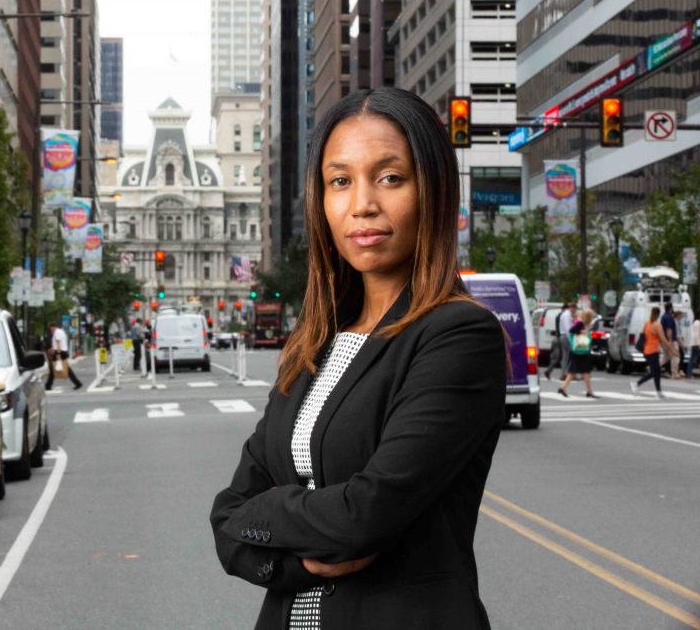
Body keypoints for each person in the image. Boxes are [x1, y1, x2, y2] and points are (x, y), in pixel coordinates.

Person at [210, 88, 506, 628]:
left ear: (433, 192)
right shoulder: (315, 344)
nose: (362, 203)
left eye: (390, 178)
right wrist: (297, 562)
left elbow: (363, 516)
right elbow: (227, 520)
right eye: (340, 181)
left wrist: (272, 508)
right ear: (322, 202)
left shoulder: (457, 334)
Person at [558, 309, 597, 398]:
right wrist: (582, 332)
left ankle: (563, 388)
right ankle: (589, 391)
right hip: (581, 351)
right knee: (584, 371)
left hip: (578, 351)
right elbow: (571, 330)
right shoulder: (580, 323)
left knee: (576, 371)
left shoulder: (580, 323)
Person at [632, 306, 669, 399]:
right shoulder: (657, 325)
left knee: (657, 372)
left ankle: (659, 392)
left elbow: (645, 336)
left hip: (647, 351)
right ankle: (637, 384)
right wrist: (672, 349)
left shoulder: (647, 323)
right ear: (658, 314)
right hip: (653, 351)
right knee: (654, 372)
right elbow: (663, 339)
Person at [45, 323, 82, 391]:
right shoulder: (61, 331)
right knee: (57, 368)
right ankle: (48, 385)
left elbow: (58, 343)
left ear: (53, 327)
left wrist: (58, 353)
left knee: (54, 368)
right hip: (62, 352)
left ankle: (48, 385)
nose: (51, 330)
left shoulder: (57, 332)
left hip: (59, 352)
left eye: (51, 329)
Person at [544, 303, 568, 380]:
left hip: (556, 338)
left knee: (558, 357)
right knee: (562, 357)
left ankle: (549, 371)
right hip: (560, 338)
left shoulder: (558, 316)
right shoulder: (563, 316)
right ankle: (563, 374)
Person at [660, 302, 680, 378]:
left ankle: (654, 368)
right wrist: (670, 341)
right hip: (670, 340)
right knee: (676, 355)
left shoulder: (663, 316)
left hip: (663, 340)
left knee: (666, 357)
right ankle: (674, 373)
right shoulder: (669, 317)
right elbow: (669, 330)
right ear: (671, 308)